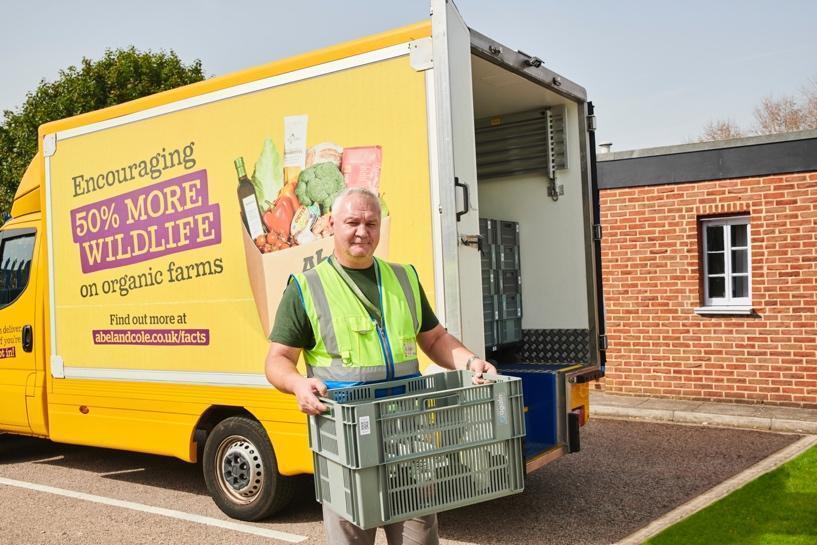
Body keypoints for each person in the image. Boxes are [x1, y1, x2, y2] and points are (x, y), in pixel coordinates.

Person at [265, 186, 497, 545]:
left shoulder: (403, 279)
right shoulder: (307, 287)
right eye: (352, 222)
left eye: (371, 223)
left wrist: (471, 361)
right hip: (348, 450)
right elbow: (277, 360)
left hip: (408, 442)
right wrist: (297, 384)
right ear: (331, 224)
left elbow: (434, 339)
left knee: (419, 539)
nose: (362, 231)